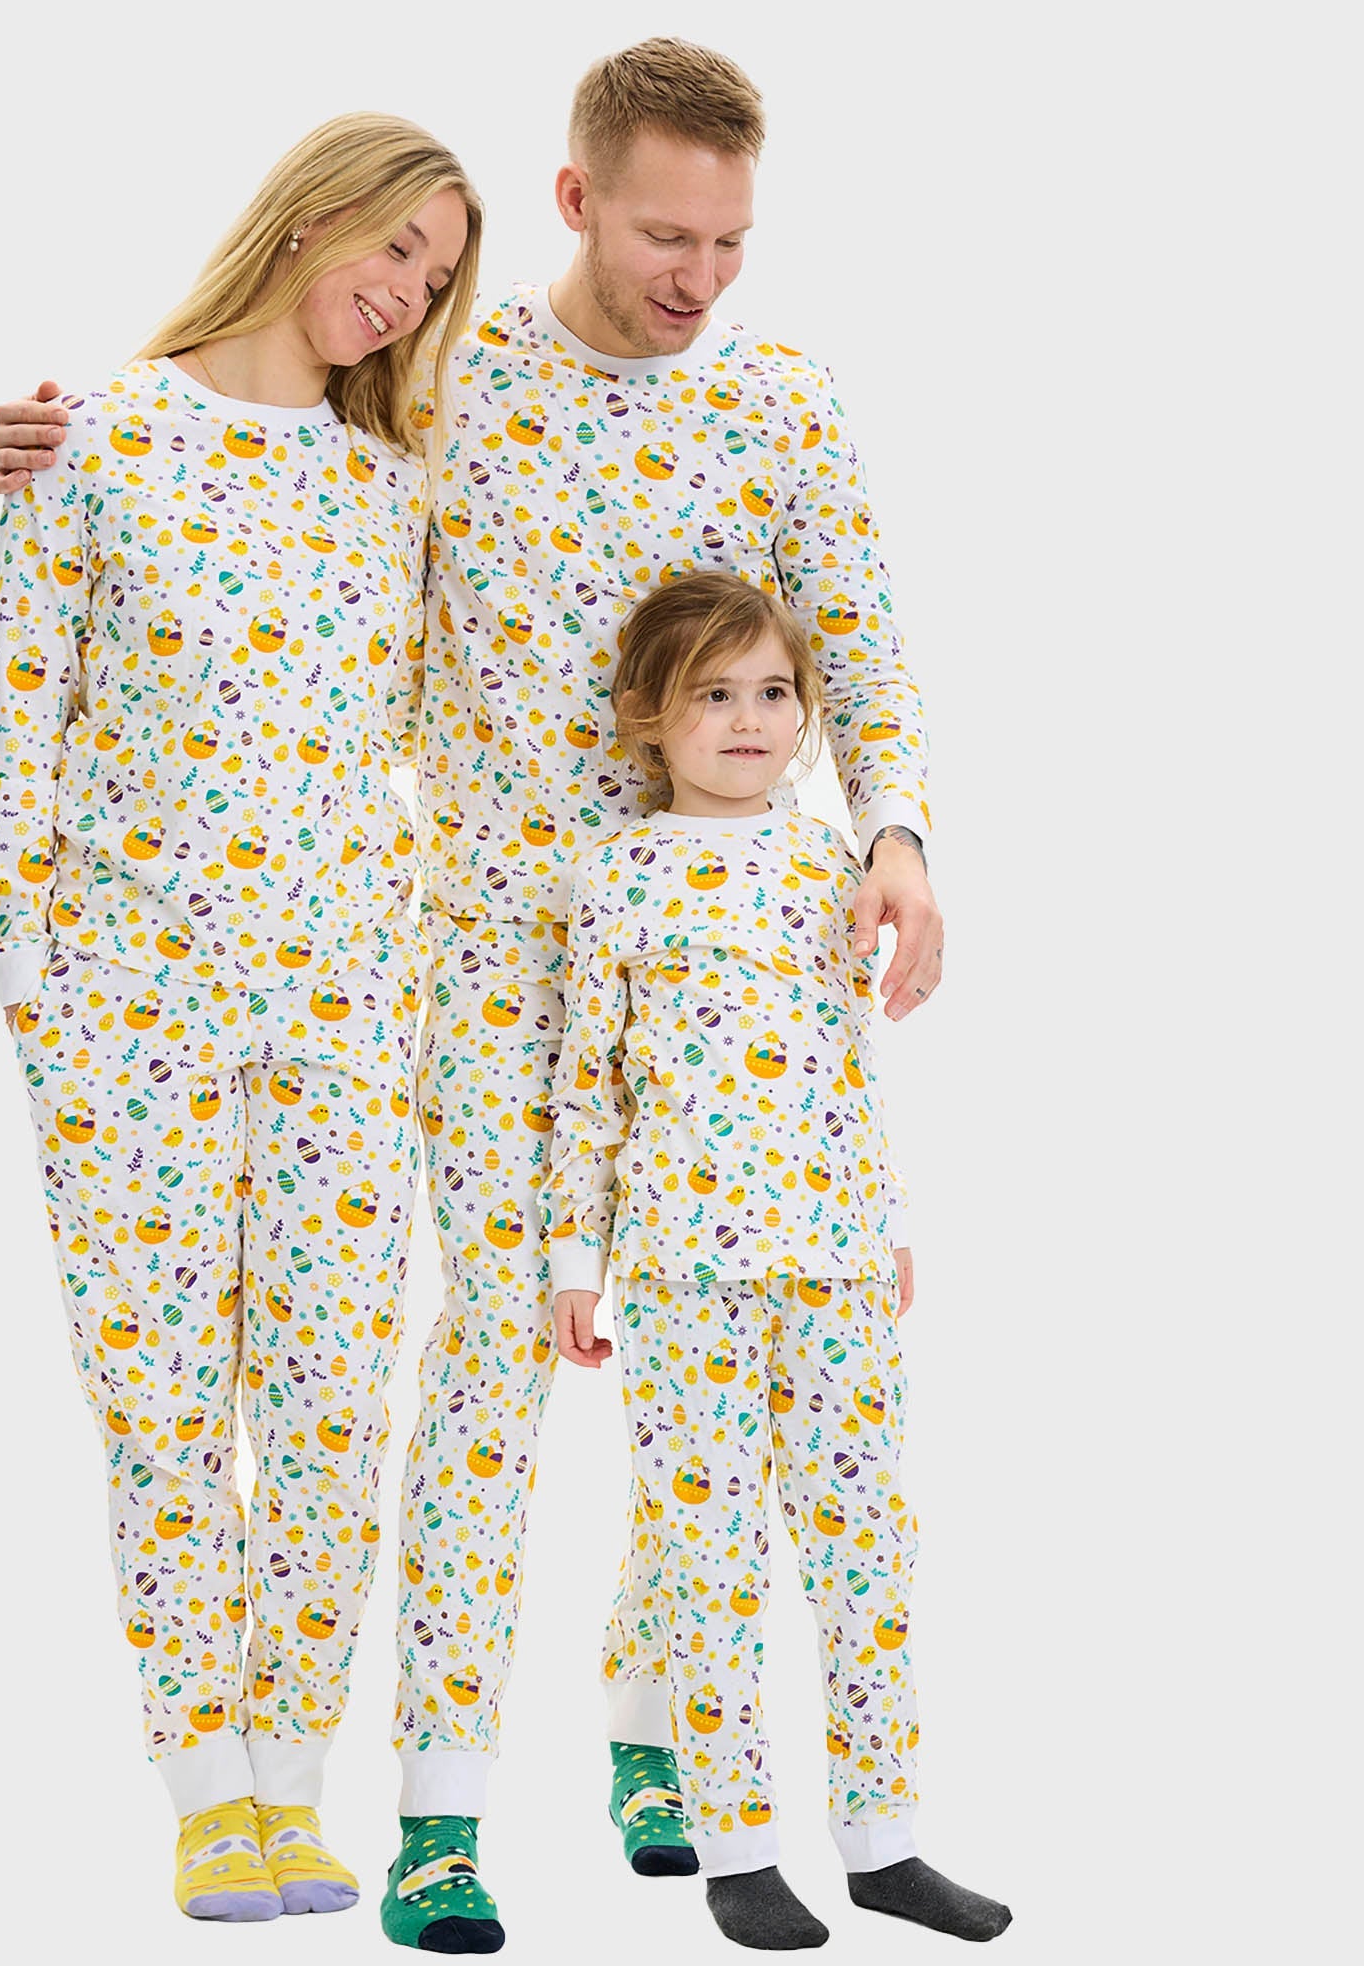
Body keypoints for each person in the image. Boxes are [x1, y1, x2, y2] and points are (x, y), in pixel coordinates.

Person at [0, 40, 950, 1951]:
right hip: (470, 964)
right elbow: (248, 482)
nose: (699, 277)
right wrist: (54, 452)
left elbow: (861, 644)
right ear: (579, 201)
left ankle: (660, 1727)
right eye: (666, 236)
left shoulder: (783, 402)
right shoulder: (451, 380)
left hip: (719, 966)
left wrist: (897, 833)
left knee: (730, 1352)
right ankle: (439, 1814)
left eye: (733, 241)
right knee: (489, 1364)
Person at [0, 113, 480, 1926]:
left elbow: (453, 727)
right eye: (398, 246)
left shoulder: (395, 482)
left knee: (336, 1398)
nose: (409, 292)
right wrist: (36, 997)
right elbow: (19, 726)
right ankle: (204, 1793)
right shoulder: (97, 438)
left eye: (438, 275)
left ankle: (293, 1784)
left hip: (351, 1006)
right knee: (167, 1404)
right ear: (311, 215)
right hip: (131, 1018)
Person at [545, 570, 1010, 1949]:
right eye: (713, 694)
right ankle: (738, 1848)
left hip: (837, 1258)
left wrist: (887, 1224)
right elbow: (589, 1088)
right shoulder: (617, 876)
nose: (750, 720)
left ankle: (885, 1842)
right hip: (683, 1269)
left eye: (773, 692)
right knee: (709, 1559)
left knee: (867, 1548)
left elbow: (844, 1066)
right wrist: (577, 1260)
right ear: (647, 715)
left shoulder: (832, 867)